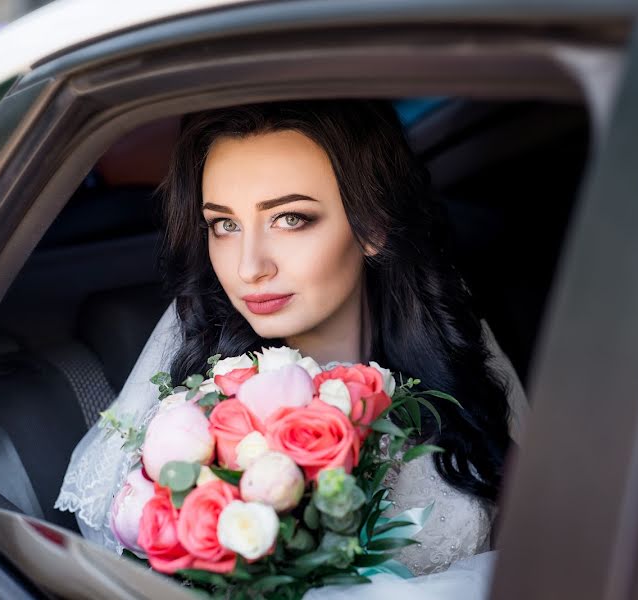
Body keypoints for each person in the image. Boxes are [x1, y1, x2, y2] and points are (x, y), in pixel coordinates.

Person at [56, 100, 528, 595]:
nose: (249, 267)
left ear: (373, 224)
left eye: (290, 219)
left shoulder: (449, 345)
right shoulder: (194, 412)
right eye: (225, 224)